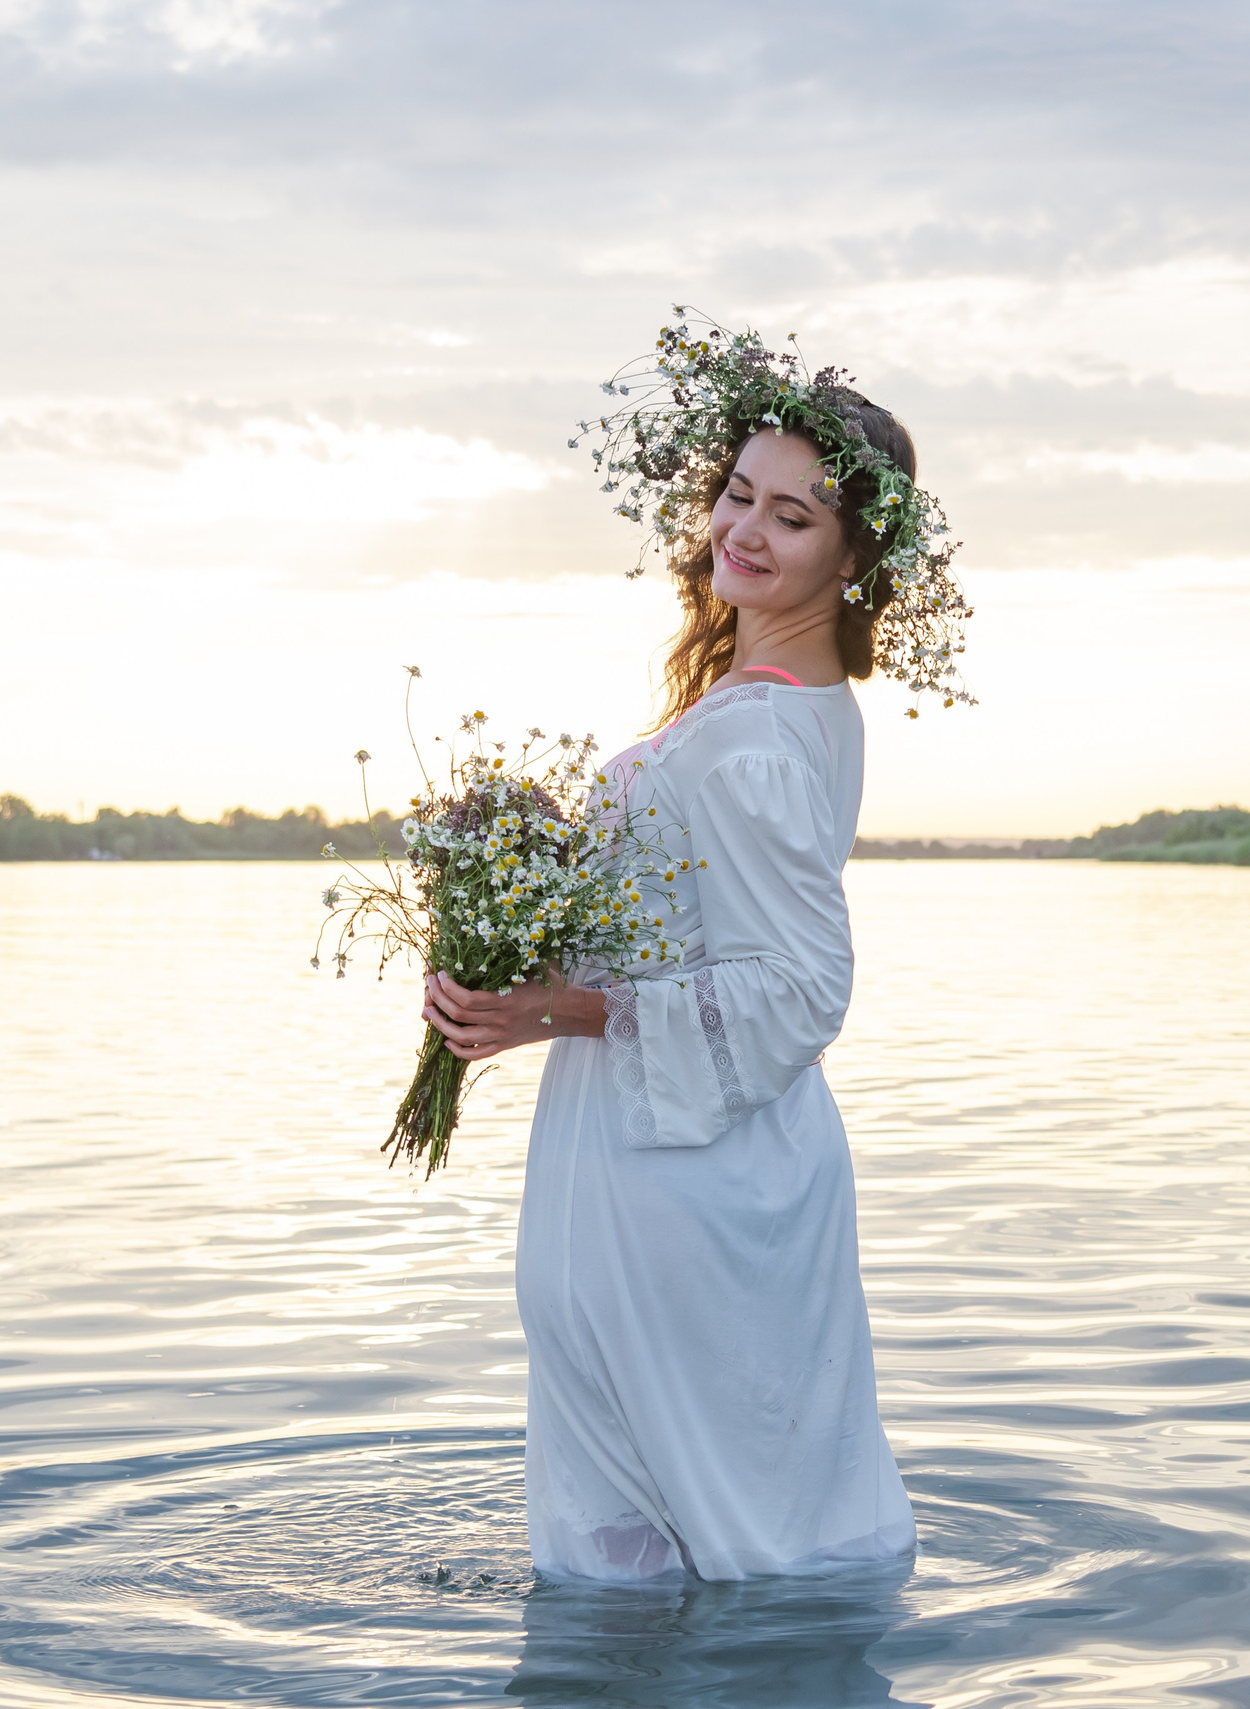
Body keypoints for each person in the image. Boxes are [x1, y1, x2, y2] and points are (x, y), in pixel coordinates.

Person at [417, 314, 972, 1582]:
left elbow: (801, 986)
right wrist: (540, 861)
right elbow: (698, 912)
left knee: (719, 1523)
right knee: (691, 1504)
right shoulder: (772, 707)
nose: (745, 530)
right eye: (737, 495)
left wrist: (555, 1008)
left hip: (693, 1170)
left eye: (792, 516)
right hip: (669, 1149)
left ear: (851, 554)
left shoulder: (758, 737)